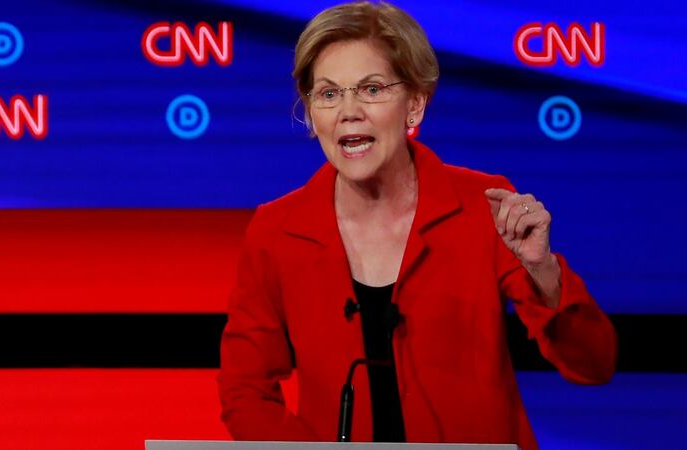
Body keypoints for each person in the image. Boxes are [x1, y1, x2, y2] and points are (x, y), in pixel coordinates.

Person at [217, 2, 617, 449]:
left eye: (371, 89)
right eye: (328, 94)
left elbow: (593, 364)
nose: (348, 111)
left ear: (415, 105)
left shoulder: (481, 206)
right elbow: (244, 394)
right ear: (311, 113)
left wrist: (543, 270)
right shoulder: (277, 229)